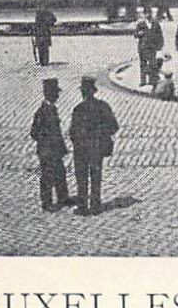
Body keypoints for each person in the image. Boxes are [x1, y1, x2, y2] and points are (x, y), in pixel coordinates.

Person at [68, 76, 118, 216]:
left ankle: (83, 205)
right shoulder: (103, 106)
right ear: (93, 91)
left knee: (81, 176)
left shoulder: (78, 109)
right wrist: (100, 135)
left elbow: (72, 131)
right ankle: (95, 204)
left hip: (81, 148)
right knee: (96, 175)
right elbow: (114, 126)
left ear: (83, 93)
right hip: (96, 147)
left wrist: (78, 140)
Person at [29, 78, 71, 211]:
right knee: (47, 176)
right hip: (47, 150)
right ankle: (47, 202)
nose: (58, 96)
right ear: (50, 94)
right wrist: (46, 142)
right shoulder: (42, 112)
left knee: (60, 172)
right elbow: (34, 132)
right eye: (56, 93)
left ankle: (63, 197)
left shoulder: (52, 109)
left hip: (55, 149)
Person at [134, 14, 160, 87]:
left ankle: (152, 80)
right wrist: (139, 34)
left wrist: (158, 45)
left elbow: (158, 35)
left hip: (151, 47)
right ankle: (143, 81)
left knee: (152, 63)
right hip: (142, 47)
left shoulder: (155, 24)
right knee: (143, 64)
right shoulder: (140, 24)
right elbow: (135, 34)